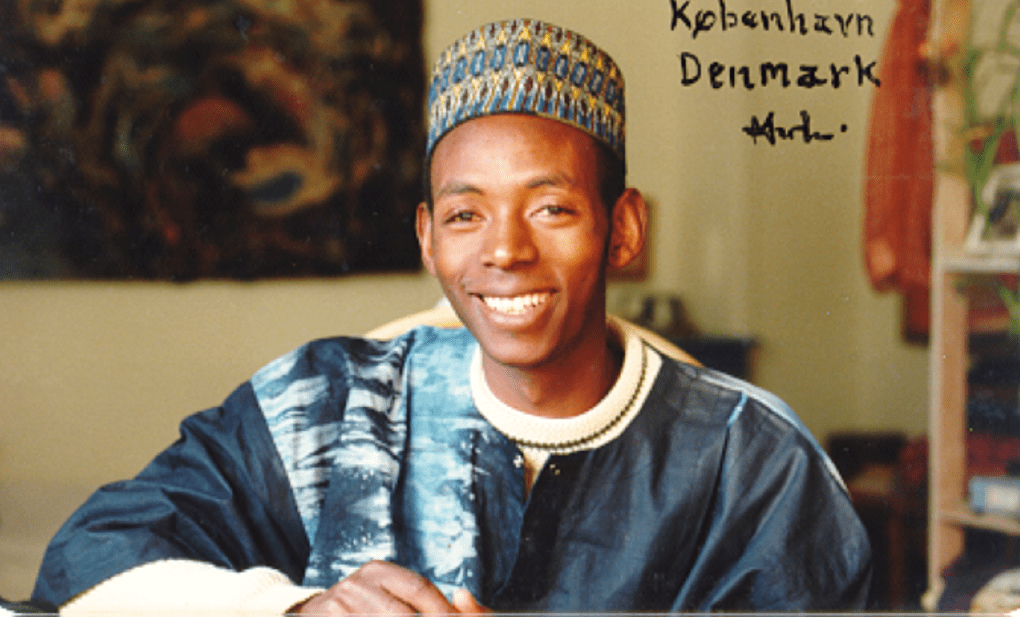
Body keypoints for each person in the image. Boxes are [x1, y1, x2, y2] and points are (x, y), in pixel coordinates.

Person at [32, 18, 871, 614]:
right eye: (466, 215)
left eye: (550, 208)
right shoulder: (324, 405)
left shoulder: (752, 464)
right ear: (428, 240)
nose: (503, 250)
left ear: (622, 229)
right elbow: (87, 563)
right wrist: (293, 608)